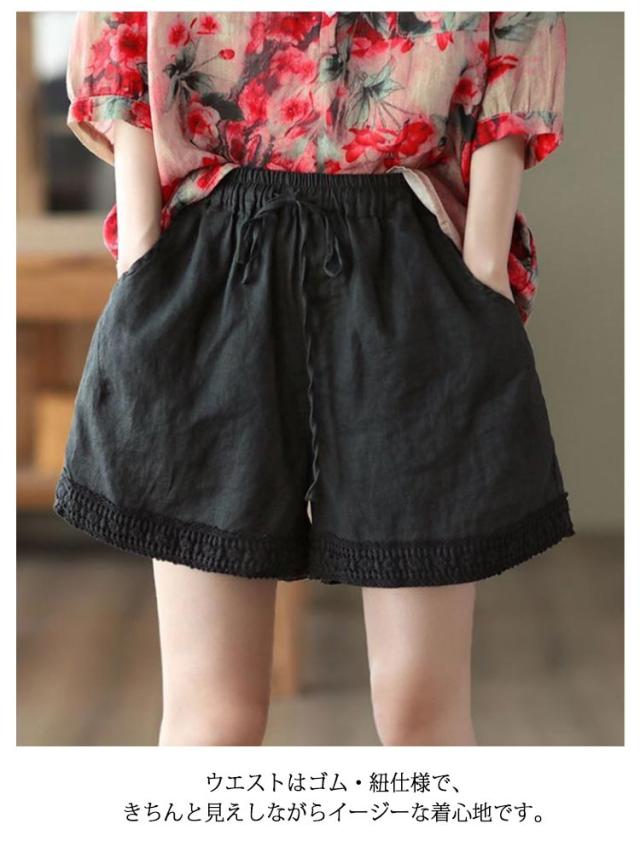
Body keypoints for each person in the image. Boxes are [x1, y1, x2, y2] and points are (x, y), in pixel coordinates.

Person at [54, 11, 574, 747]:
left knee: (421, 711)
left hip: (410, 255)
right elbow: (118, 34)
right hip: (214, 250)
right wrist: (141, 253)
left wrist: (484, 269)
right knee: (214, 713)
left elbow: (520, 37)